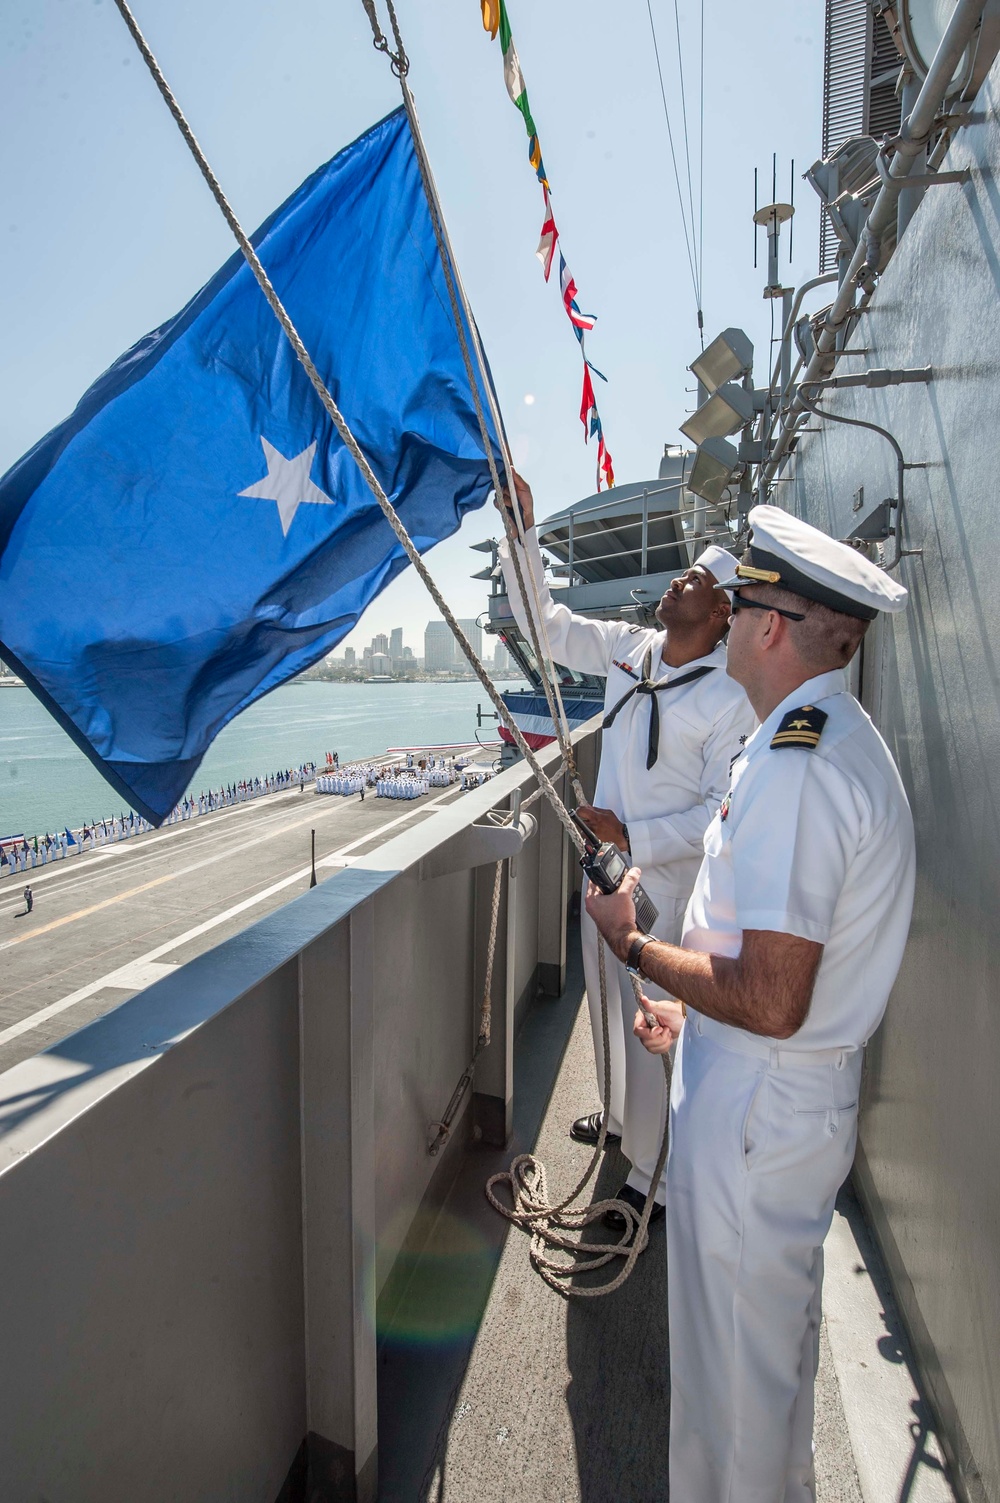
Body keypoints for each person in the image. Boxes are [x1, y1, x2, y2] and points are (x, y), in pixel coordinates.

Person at [585, 504, 915, 1502]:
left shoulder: (798, 769)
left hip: (757, 1116)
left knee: (741, 1394)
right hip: (768, 1100)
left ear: (769, 626)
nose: (725, 621)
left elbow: (771, 998)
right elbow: (768, 982)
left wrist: (634, 944)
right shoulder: (813, 741)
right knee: (750, 1376)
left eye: (739, 608)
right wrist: (690, 1014)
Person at [498, 473, 755, 1232]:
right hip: (601, 875)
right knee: (608, 1007)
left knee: (653, 1020)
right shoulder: (631, 651)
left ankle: (656, 1176)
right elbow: (545, 625)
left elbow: (718, 812)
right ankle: (616, 1123)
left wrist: (632, 836)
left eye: (696, 581)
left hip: (668, 890)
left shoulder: (729, 697)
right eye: (684, 572)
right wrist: (523, 533)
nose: (678, 580)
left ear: (720, 615)